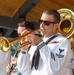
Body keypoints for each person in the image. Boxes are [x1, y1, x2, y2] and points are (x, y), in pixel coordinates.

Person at [7, 9, 72, 75]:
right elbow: (24, 70)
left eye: (46, 23)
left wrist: (40, 44)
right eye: (41, 21)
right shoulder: (37, 40)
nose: (41, 25)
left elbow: (55, 68)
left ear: (55, 25)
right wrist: (24, 49)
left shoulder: (63, 42)